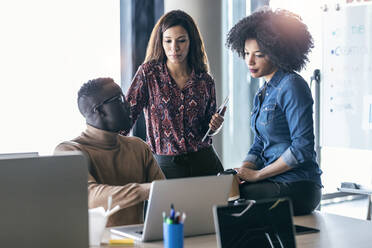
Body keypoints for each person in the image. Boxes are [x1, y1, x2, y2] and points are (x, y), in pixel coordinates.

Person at [226, 7, 322, 215]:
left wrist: (258, 175)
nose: (249, 61)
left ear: (278, 53)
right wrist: (244, 170)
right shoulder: (263, 92)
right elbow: (260, 143)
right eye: (246, 54)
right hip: (275, 181)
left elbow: (302, 148)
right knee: (225, 185)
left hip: (299, 185)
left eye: (258, 55)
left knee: (231, 200)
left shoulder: (292, 85)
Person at [124, 10, 225, 179]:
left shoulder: (205, 80)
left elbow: (207, 127)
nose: (174, 48)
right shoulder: (149, 74)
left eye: (181, 41)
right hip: (165, 166)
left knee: (214, 206)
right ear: (160, 42)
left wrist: (215, 125)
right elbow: (126, 117)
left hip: (205, 161)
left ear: (191, 41)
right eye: (168, 41)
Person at [55, 78, 165, 227]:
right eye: (120, 99)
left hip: (137, 243)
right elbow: (90, 197)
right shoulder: (68, 151)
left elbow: (165, 193)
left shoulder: (138, 147)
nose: (128, 104)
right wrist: (147, 190)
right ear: (99, 110)